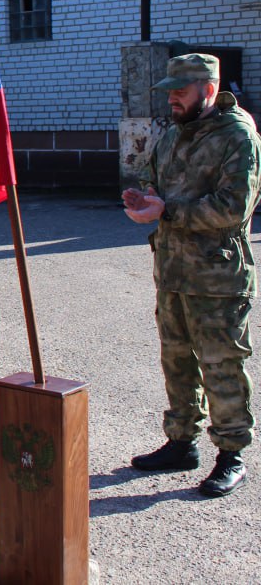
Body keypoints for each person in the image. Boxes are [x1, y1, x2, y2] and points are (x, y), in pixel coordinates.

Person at [122, 52, 258, 498]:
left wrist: (170, 211)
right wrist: (145, 201)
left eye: (180, 92)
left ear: (210, 89)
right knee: (177, 361)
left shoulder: (237, 136)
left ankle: (231, 454)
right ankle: (182, 442)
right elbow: (156, 185)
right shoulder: (173, 136)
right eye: (169, 93)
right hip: (174, 271)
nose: (172, 100)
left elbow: (234, 208)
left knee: (221, 365)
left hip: (217, 277)